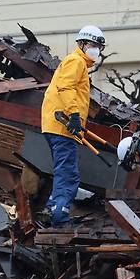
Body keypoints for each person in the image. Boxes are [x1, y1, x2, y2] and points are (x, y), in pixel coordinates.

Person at [40, 25, 105, 227]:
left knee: (63, 171)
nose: (96, 50)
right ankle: (59, 218)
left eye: (99, 47)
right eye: (93, 45)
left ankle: (52, 210)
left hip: (57, 126)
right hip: (62, 126)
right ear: (82, 44)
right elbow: (66, 87)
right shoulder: (75, 61)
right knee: (68, 174)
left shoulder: (77, 64)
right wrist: (75, 116)